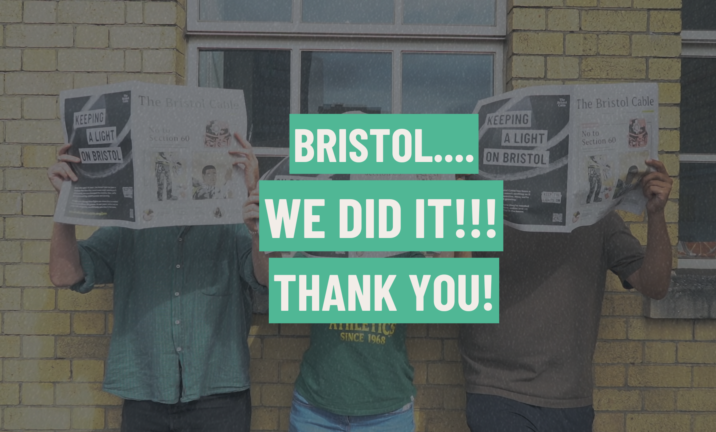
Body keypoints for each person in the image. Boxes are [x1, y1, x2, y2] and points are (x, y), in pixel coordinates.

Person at [48, 133, 266, 432]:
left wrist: (259, 221)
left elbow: (267, 278)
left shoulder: (230, 225)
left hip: (219, 396)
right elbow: (64, 275)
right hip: (145, 396)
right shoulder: (129, 227)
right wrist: (65, 204)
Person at [460, 159, 673, 432]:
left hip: (569, 398)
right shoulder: (483, 205)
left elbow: (655, 285)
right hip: (496, 387)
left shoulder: (600, 217)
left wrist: (656, 214)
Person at [244, 165, 437, 432]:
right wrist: (259, 235)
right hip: (316, 411)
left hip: (387, 413)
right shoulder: (320, 246)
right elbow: (273, 282)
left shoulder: (404, 252)